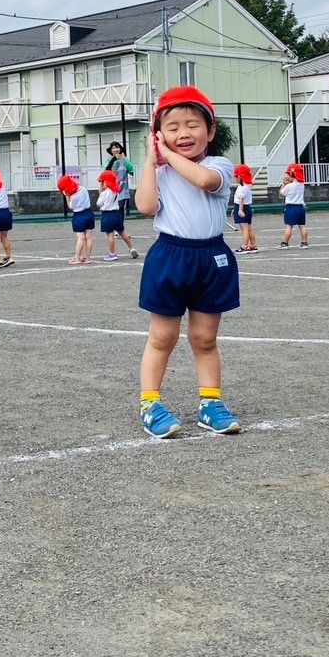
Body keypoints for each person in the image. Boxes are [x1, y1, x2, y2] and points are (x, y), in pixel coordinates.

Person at [134, 87, 242, 438]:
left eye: (193, 125)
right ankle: (150, 404)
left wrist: (166, 153)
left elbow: (205, 181)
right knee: (162, 336)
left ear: (210, 131)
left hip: (212, 257)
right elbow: (146, 207)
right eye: (173, 127)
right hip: (169, 256)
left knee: (204, 338)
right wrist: (151, 162)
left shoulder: (218, 165)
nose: (184, 133)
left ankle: (210, 403)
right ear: (158, 134)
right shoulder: (160, 171)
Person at [96, 170, 138, 261]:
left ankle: (112, 254)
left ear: (105, 182)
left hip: (107, 215)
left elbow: (98, 204)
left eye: (101, 182)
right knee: (122, 232)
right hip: (116, 214)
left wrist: (100, 193)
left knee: (110, 234)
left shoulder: (104, 193)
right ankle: (131, 248)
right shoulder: (115, 191)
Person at [59, 175, 94, 264]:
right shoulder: (83, 189)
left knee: (81, 238)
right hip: (89, 213)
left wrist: (67, 197)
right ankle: (88, 257)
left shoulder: (74, 196)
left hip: (79, 216)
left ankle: (77, 258)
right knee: (88, 237)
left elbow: (71, 206)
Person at [278, 163, 309, 248]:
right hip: (300, 207)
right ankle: (304, 242)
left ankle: (285, 243)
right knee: (302, 225)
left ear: (292, 174)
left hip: (291, 207)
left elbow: (281, 193)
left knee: (289, 226)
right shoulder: (301, 185)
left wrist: (284, 184)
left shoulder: (289, 186)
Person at [231, 163, 258, 253]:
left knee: (244, 229)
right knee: (249, 228)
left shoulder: (241, 188)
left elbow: (241, 199)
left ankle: (244, 246)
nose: (235, 178)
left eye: (236, 177)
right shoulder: (247, 186)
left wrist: (240, 210)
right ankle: (253, 245)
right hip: (247, 208)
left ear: (240, 177)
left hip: (242, 207)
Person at [106, 141, 136, 214]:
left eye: (117, 147)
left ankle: (120, 221)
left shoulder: (125, 159)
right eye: (113, 148)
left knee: (120, 208)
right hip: (111, 188)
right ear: (111, 150)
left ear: (120, 149)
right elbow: (106, 170)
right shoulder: (108, 160)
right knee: (112, 209)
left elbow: (131, 170)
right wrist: (114, 159)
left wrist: (131, 174)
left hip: (122, 187)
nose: (115, 149)